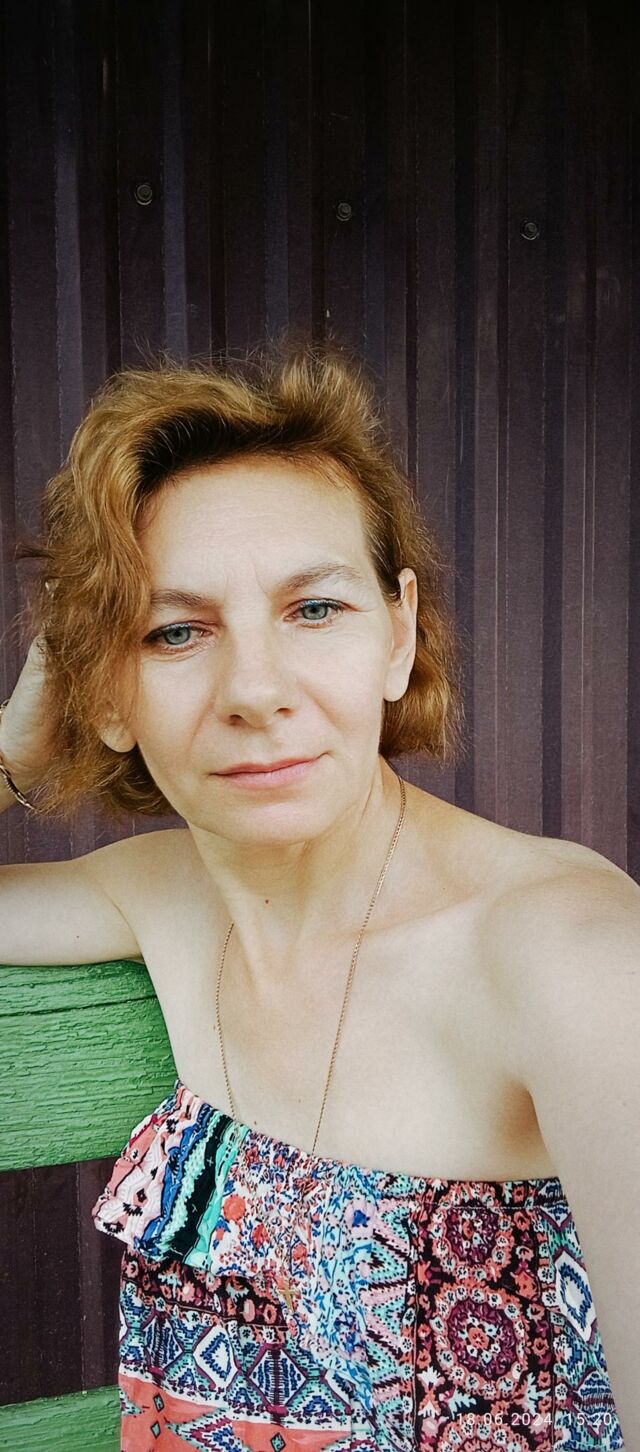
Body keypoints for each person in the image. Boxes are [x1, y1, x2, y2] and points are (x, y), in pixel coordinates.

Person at [0, 341, 636, 1450]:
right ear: (102, 692)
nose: (255, 690)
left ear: (398, 633)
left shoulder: (572, 956)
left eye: (315, 609)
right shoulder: (163, 894)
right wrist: (15, 746)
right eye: (174, 631)